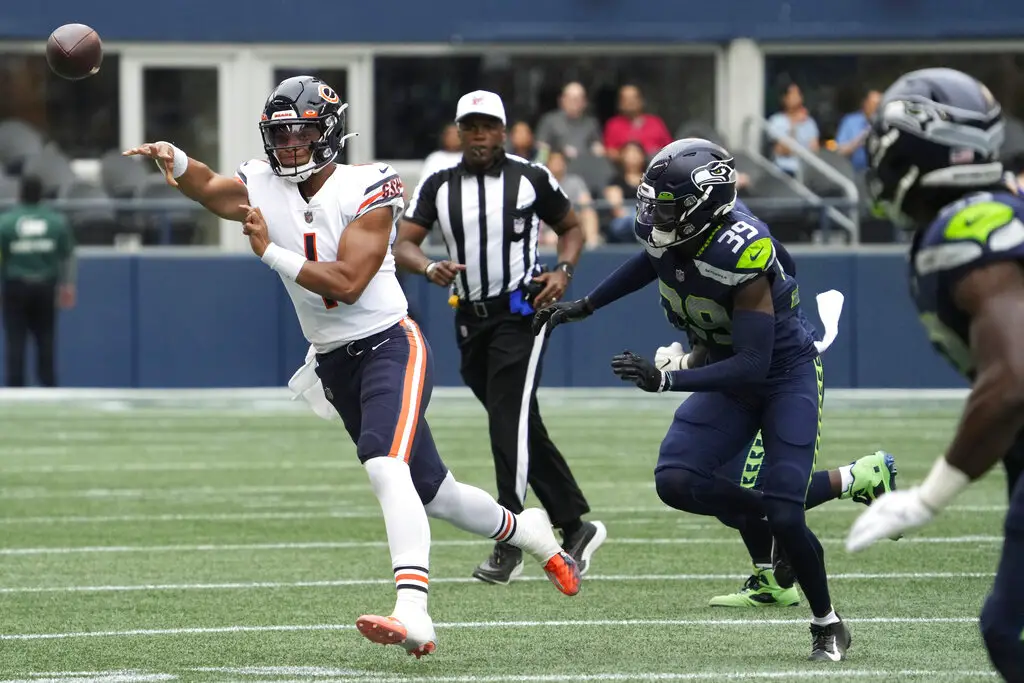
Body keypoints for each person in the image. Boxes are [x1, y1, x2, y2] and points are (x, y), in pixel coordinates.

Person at [123, 75, 581, 660]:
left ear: (330, 135)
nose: (289, 147)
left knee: (385, 466)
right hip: (334, 361)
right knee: (433, 491)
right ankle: (533, 533)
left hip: (390, 342)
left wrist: (271, 252)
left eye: (302, 134)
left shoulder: (370, 184)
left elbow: (349, 280)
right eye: (280, 136)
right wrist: (177, 157)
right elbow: (213, 188)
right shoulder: (263, 180)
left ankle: (413, 611)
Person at [536, 138, 850, 661]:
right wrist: (588, 304)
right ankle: (770, 522)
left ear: (704, 203)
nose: (653, 213)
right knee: (676, 479)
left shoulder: (742, 248)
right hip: (729, 368)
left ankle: (827, 624)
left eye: (666, 203)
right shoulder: (674, 230)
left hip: (780, 375)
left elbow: (753, 364)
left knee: (788, 509)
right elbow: (651, 259)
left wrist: (666, 381)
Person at [846, 67, 1024, 681]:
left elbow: (1014, 380)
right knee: (1006, 627)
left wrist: (926, 499)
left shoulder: (972, 229)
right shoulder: (994, 213)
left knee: (1008, 628)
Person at [393, 90, 606, 586]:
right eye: (471, 126)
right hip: (469, 317)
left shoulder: (531, 177)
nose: (480, 135)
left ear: (504, 130)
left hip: (521, 311)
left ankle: (511, 536)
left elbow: (571, 226)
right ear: (459, 131)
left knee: (507, 422)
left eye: (489, 126)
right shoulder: (440, 183)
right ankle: (576, 526)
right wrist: (427, 266)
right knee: (518, 422)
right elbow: (405, 240)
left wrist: (564, 272)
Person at [0, 175, 76, 387]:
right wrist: (68, 284)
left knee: (15, 341)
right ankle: (48, 386)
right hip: (45, 287)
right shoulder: (55, 221)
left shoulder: (6, 222)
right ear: (41, 195)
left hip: (15, 287)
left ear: (20, 195)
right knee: (46, 340)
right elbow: (67, 254)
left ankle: (15, 388)